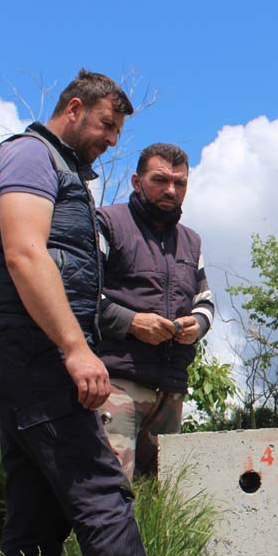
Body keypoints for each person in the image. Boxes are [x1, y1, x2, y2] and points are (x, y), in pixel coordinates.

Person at [0, 70, 168, 556]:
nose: (109, 140)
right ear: (73, 109)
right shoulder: (29, 157)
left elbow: (71, 281)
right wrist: (76, 350)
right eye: (105, 126)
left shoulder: (65, 176)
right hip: (28, 350)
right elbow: (26, 254)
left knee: (37, 513)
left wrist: (115, 327)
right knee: (100, 488)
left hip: (20, 350)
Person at [96, 143, 215, 479]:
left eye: (180, 183)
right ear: (137, 181)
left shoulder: (191, 241)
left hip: (171, 389)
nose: (171, 190)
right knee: (111, 491)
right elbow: (80, 294)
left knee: (161, 499)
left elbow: (205, 300)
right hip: (115, 384)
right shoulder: (107, 223)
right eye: (160, 180)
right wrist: (131, 322)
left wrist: (198, 324)